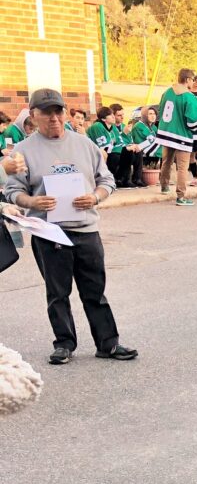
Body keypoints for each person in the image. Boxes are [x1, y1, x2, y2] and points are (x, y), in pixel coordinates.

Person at [2, 89, 138, 366]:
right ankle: (64, 344)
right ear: (34, 115)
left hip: (86, 229)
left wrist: (95, 197)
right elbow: (12, 191)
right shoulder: (23, 150)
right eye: (46, 112)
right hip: (49, 232)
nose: (54, 117)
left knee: (95, 291)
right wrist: (32, 200)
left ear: (65, 113)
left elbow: (107, 180)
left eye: (58, 111)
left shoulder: (84, 144)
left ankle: (108, 344)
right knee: (58, 293)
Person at [156, 69, 197, 207]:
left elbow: (160, 109)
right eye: (193, 79)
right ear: (188, 80)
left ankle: (164, 186)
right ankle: (181, 196)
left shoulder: (167, 92)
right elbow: (193, 122)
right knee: (183, 166)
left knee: (166, 161)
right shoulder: (189, 97)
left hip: (165, 132)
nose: (194, 82)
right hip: (181, 135)